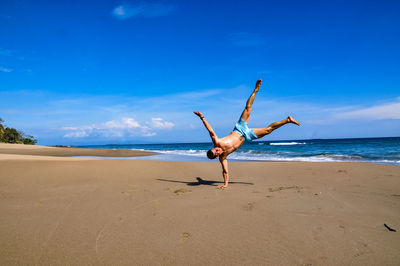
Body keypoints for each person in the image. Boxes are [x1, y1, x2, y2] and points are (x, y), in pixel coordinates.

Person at [193, 79, 300, 188]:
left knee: (248, 108)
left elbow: (210, 131)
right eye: (217, 152)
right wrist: (225, 184)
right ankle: (287, 120)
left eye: (215, 149)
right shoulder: (223, 157)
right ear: (217, 156)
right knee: (268, 130)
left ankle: (255, 90)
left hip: (239, 128)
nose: (217, 149)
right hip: (247, 136)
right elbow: (225, 171)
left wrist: (202, 117)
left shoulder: (217, 142)